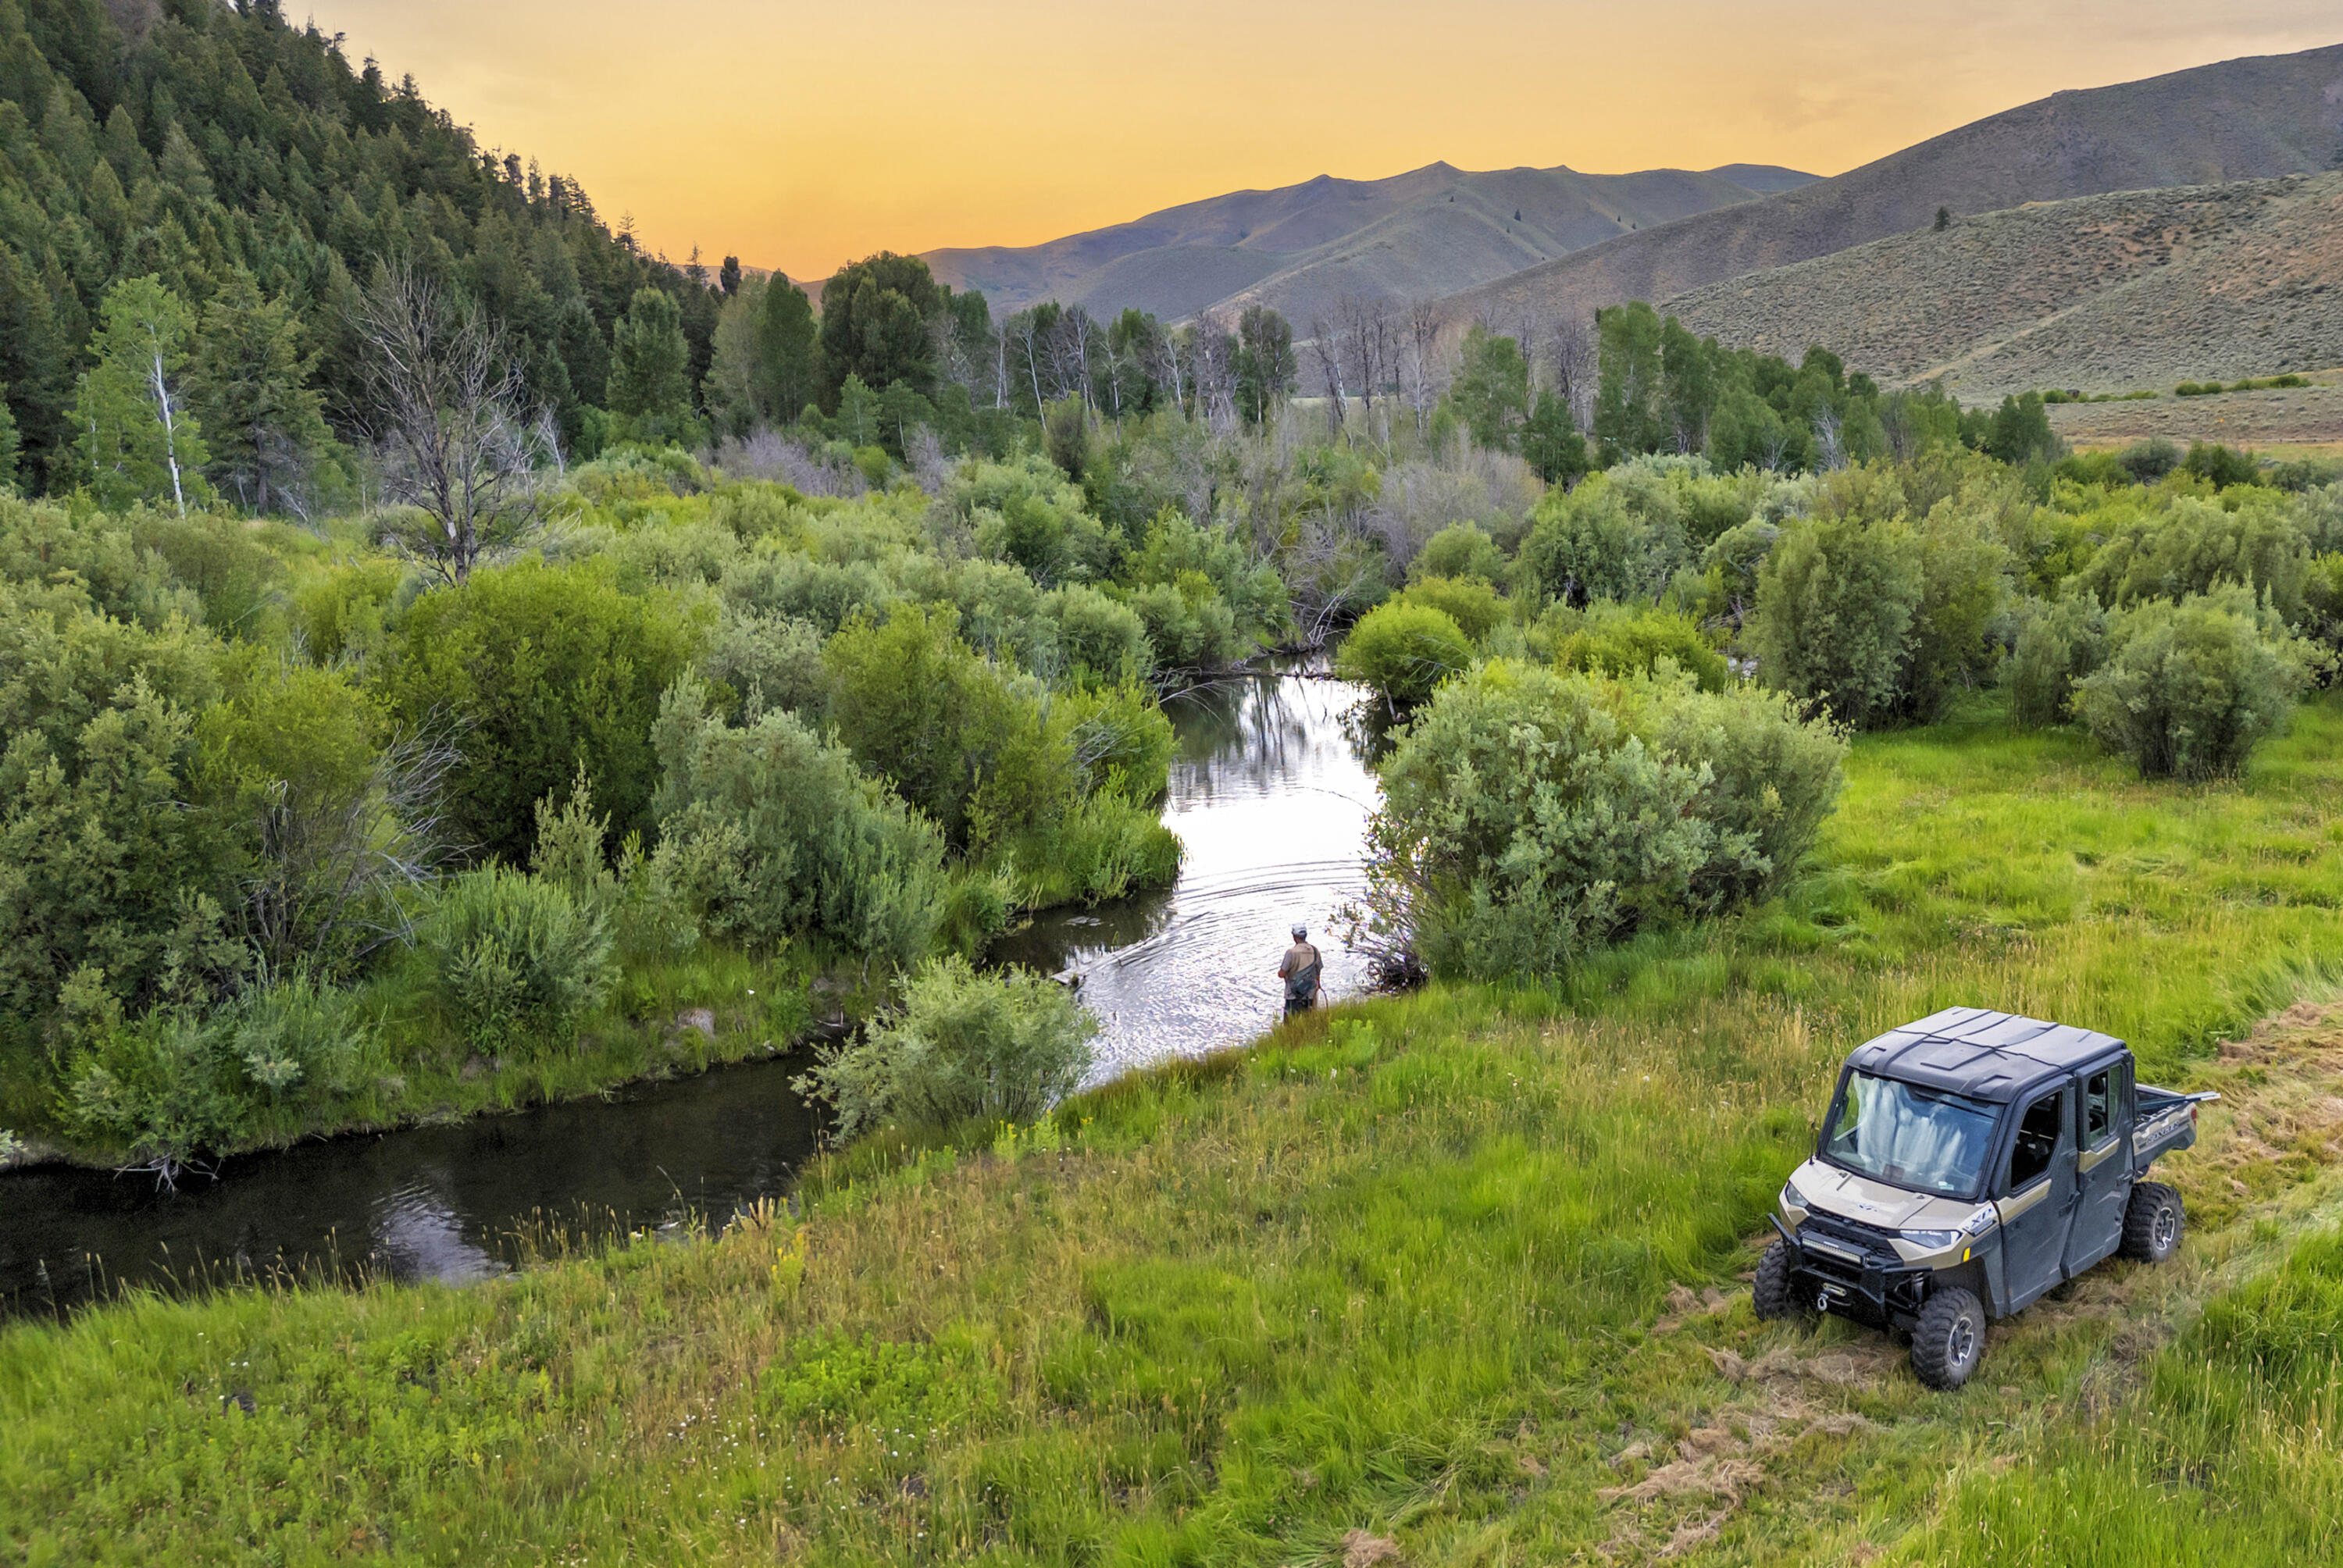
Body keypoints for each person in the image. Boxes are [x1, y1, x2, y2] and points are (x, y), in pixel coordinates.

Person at [1278, 923, 1322, 1015]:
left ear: (1294, 936)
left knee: (1290, 1023)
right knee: (1309, 1020)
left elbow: (1281, 974)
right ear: (1305, 936)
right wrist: (1317, 986)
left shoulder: (1291, 952)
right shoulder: (1315, 950)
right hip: (1310, 993)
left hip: (1293, 994)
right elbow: (1318, 972)